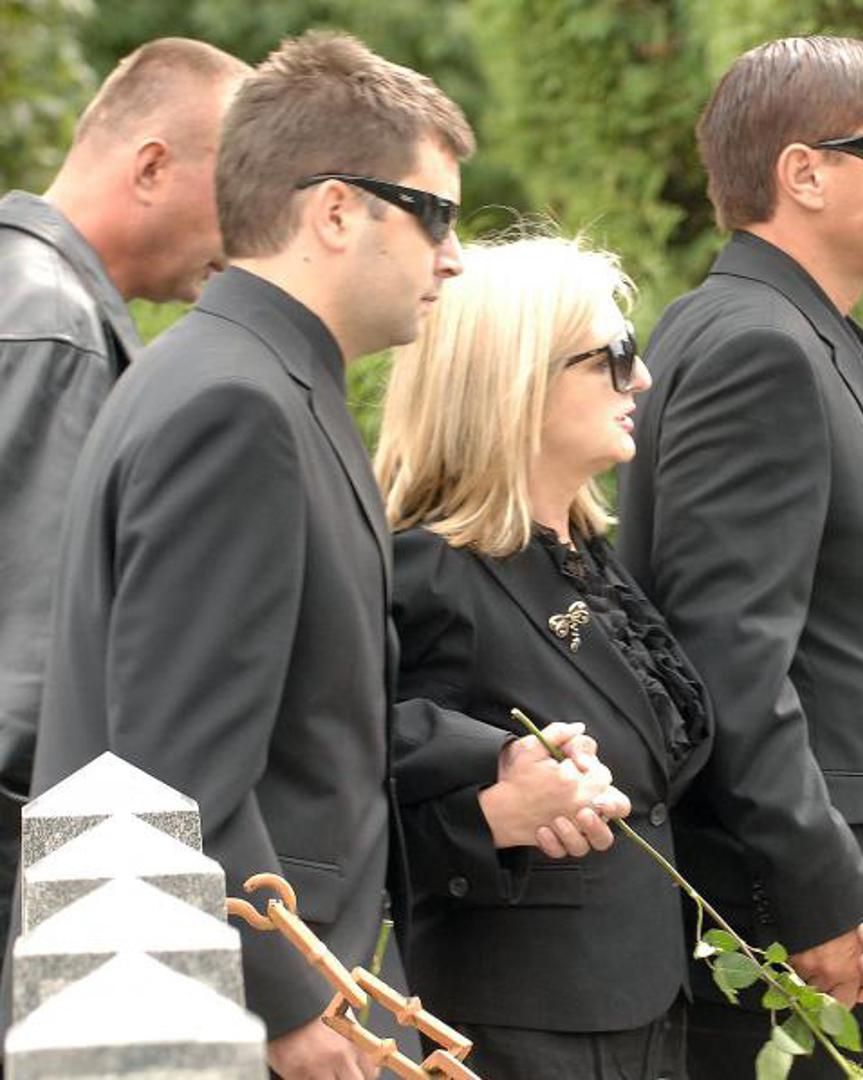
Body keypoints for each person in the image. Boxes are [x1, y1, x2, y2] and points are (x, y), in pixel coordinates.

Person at [28, 32, 619, 1079]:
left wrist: (480, 754)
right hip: (213, 1016)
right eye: (434, 214)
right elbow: (174, 765)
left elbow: (303, 708)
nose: (453, 256)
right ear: (337, 210)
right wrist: (292, 1005)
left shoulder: (253, 380)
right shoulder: (235, 405)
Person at [617, 35, 863, 1080]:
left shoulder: (785, 331)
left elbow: (821, 616)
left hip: (857, 921)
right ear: (803, 173)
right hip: (828, 942)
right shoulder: (760, 347)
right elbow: (726, 657)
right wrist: (819, 895)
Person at [374, 234, 713, 1080]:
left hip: (645, 1013)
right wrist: (489, 817)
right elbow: (340, 773)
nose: (642, 379)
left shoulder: (584, 557)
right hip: (519, 1029)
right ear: (517, 378)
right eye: (615, 356)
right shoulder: (429, 572)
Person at [0, 36, 249, 950]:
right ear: (151, 166)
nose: (244, 235)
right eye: (234, 196)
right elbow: (26, 682)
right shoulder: (53, 325)